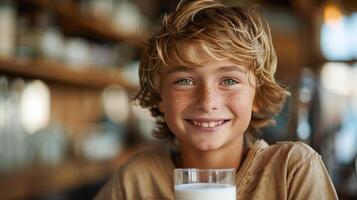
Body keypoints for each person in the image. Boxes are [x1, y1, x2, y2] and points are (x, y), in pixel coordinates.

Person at [94, 0, 338, 199]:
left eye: (229, 81)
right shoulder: (136, 182)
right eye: (185, 81)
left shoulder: (291, 172)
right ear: (159, 97)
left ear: (258, 96)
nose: (207, 101)